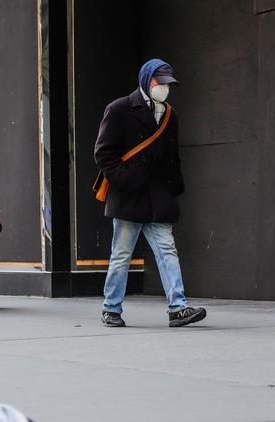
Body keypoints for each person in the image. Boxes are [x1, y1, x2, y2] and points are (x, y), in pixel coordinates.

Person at [94, 59, 206, 328]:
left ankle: (178, 307)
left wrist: (174, 186)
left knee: (167, 250)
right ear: (147, 80)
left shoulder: (170, 114)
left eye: (168, 84)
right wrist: (124, 180)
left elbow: (173, 157)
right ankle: (111, 308)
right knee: (121, 254)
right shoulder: (119, 108)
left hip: (158, 197)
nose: (164, 88)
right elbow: (103, 152)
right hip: (129, 195)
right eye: (160, 83)